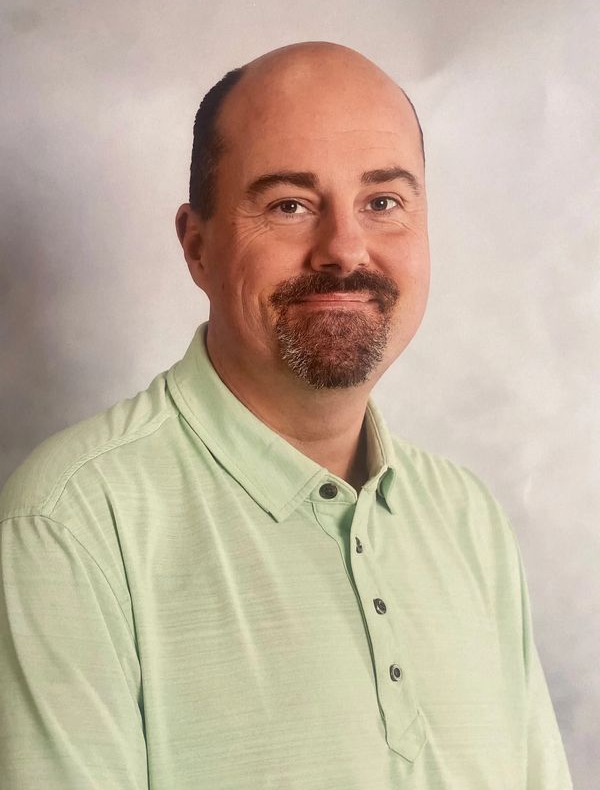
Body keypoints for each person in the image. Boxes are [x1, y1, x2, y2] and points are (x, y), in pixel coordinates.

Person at [0, 42, 572, 789]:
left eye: (383, 201)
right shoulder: (72, 526)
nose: (344, 249)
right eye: (289, 205)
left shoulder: (468, 520)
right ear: (197, 247)